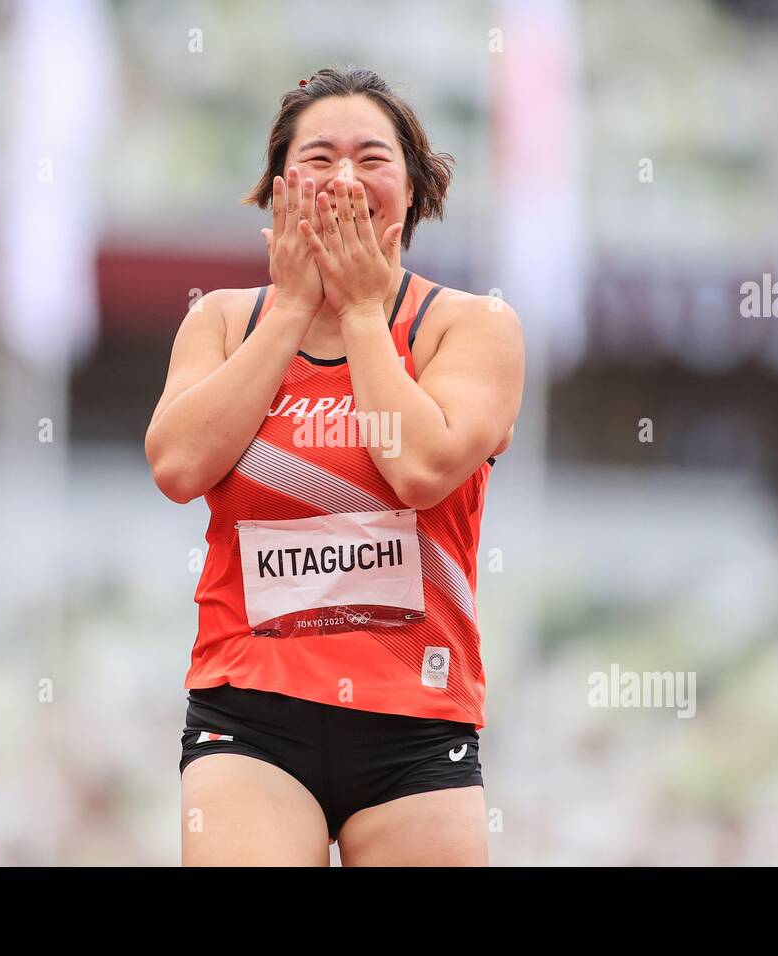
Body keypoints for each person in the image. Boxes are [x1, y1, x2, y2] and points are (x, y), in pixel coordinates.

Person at [145, 66, 524, 866]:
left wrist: (359, 312)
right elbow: (177, 465)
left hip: (416, 720)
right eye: (319, 158)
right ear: (281, 188)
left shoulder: (471, 327)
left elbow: (419, 469)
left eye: (372, 159)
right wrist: (289, 310)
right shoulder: (220, 319)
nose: (345, 178)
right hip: (251, 713)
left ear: (414, 191)